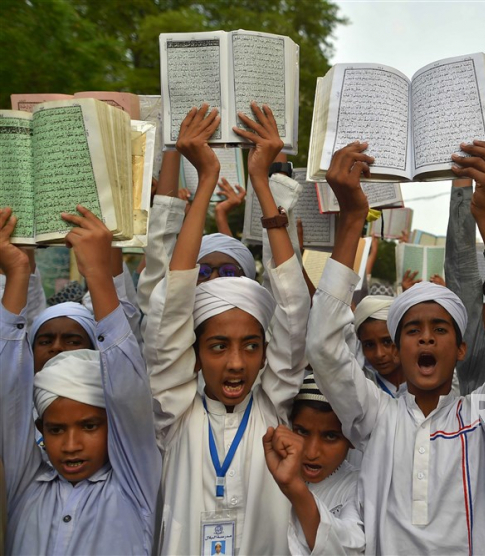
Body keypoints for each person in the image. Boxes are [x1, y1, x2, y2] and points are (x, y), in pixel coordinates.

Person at [306, 140, 485, 553]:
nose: (427, 337)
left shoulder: (480, 416)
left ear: (461, 350)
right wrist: (352, 220)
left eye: (440, 329)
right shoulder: (374, 416)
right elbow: (324, 345)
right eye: (413, 330)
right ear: (399, 352)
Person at [145, 103, 309, 555]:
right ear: (193, 351)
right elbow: (170, 307)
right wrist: (206, 182)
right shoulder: (173, 412)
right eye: (217, 346)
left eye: (251, 346)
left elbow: (294, 307)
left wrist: (262, 182)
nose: (237, 363)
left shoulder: (273, 406)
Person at [0, 206, 160, 554]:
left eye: (89, 426)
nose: (71, 444)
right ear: (40, 428)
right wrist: (16, 274)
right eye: (56, 430)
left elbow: (127, 385)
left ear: (115, 424)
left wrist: (99, 274)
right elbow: (9, 390)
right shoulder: (26, 483)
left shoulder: (134, 484)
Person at [264, 374, 364, 554]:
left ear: (351, 438)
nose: (312, 452)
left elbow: (350, 547)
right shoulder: (267, 474)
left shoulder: (358, 486)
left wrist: (295, 488)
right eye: (302, 431)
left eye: (330, 436)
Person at [353, 295, 403, 396]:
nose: (379, 354)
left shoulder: (431, 384)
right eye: (369, 345)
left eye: (387, 342)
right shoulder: (365, 391)